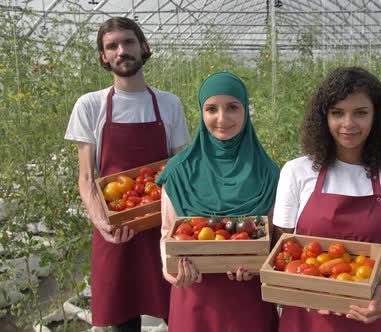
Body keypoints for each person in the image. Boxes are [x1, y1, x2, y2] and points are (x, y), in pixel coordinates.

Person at [272, 67, 381, 331]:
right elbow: (281, 250)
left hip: (373, 317)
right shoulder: (296, 172)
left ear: (377, 117)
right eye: (337, 113)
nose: (348, 124)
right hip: (307, 320)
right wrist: (305, 288)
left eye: (360, 113)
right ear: (324, 118)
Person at [64, 17, 190, 331]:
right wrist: (103, 222)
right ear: (104, 57)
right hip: (116, 230)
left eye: (128, 42)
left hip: (162, 227)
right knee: (123, 322)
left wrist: (182, 229)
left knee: (179, 313)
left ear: (143, 47)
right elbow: (86, 177)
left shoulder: (168, 104)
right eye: (112, 46)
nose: (122, 51)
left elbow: (181, 168)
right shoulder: (90, 106)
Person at [156, 71, 280, 332]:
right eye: (211, 109)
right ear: (201, 113)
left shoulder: (267, 173)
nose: (222, 118)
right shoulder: (179, 172)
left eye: (232, 107)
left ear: (245, 111)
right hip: (195, 300)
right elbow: (167, 234)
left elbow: (276, 239)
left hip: (248, 301)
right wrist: (175, 274)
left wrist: (260, 268)